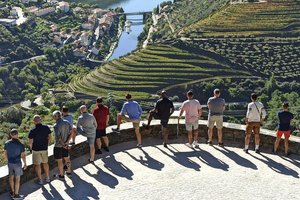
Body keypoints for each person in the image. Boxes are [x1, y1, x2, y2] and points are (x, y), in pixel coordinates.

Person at [28, 115, 51, 185]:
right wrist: (47, 144)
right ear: (40, 120)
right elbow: (49, 137)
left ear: (33, 122)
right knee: (45, 163)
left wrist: (31, 148)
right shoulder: (46, 127)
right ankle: (47, 178)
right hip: (44, 148)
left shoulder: (32, 131)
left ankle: (40, 180)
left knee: (37, 165)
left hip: (36, 150)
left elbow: (30, 142)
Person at [5, 129, 27, 199]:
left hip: (10, 163)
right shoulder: (21, 144)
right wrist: (25, 164)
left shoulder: (6, 143)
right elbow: (23, 156)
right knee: (17, 179)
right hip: (17, 163)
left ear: (11, 135)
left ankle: (12, 192)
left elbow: (5, 154)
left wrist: (8, 161)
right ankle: (16, 195)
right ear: (17, 134)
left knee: (11, 177)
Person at [52, 110, 72, 180]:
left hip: (58, 146)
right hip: (65, 144)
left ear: (56, 116)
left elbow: (59, 138)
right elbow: (71, 133)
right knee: (67, 158)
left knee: (60, 161)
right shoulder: (67, 122)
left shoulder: (56, 125)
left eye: (53, 116)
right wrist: (67, 143)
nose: (52, 117)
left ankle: (61, 175)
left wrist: (64, 145)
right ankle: (69, 172)